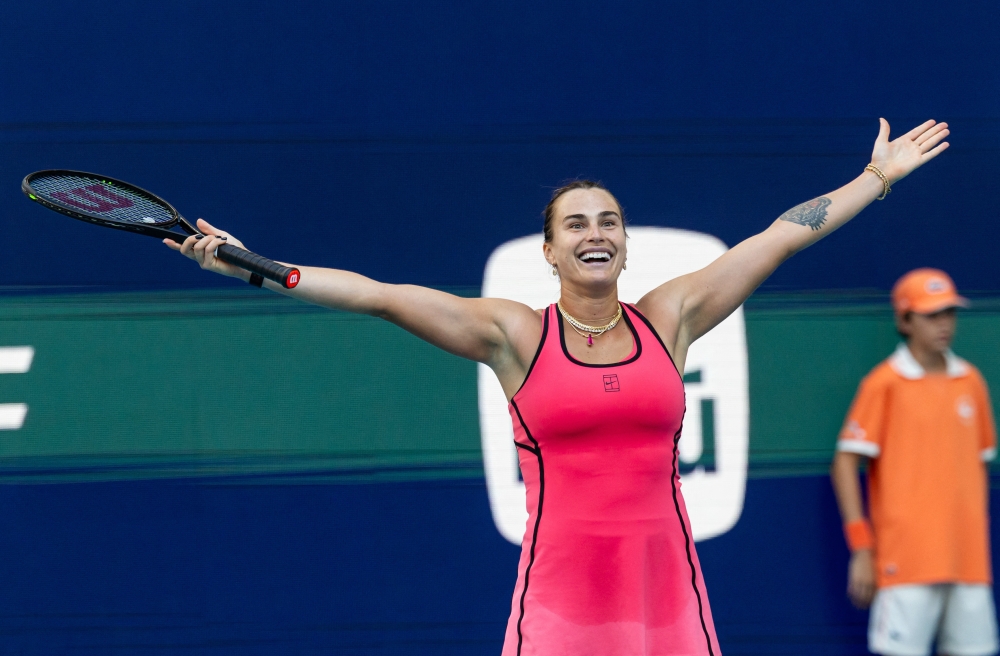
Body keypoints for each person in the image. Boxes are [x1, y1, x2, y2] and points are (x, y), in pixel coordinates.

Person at [167, 119, 948, 655]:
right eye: (576, 224)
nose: (595, 233)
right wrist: (258, 266)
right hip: (560, 603)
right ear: (549, 250)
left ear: (625, 242)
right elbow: (378, 292)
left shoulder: (669, 319)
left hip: (667, 596)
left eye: (608, 221)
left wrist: (876, 177)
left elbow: (779, 237)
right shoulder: (514, 334)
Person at [831, 269, 998, 656]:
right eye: (932, 315)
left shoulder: (971, 381)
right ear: (904, 320)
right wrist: (862, 547)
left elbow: (979, 465)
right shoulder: (884, 383)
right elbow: (845, 462)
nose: (944, 325)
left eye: (949, 314)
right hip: (905, 563)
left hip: (969, 563)